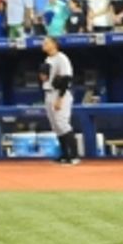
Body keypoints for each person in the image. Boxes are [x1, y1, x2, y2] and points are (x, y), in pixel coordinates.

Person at [39, 36, 78, 164]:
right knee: (56, 126)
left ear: (54, 44)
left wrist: (60, 98)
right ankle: (65, 155)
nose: (43, 44)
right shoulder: (48, 59)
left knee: (62, 123)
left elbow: (66, 79)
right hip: (49, 92)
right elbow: (46, 79)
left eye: (46, 42)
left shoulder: (62, 58)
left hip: (60, 94)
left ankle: (74, 156)